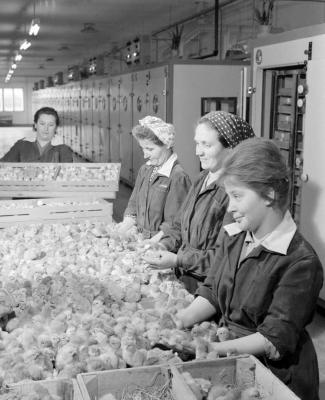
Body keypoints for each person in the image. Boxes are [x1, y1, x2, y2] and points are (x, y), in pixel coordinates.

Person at [176, 138, 323, 400]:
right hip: (228, 357)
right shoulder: (234, 236)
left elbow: (273, 339)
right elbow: (212, 291)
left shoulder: (300, 262)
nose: (230, 207)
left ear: (269, 194)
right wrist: (182, 320)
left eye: (237, 196)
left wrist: (213, 348)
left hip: (272, 376)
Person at [144, 111, 255, 293]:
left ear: (231, 148)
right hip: (183, 282)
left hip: (209, 291)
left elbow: (224, 257)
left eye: (207, 145)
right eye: (197, 143)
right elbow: (179, 225)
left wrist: (178, 260)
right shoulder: (201, 178)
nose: (198, 152)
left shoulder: (235, 194)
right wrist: (163, 244)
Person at [117, 116, 191, 240]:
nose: (145, 155)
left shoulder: (178, 177)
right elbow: (134, 203)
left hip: (161, 247)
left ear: (166, 144)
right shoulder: (145, 170)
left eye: (150, 149)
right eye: (142, 148)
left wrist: (152, 243)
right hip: (141, 240)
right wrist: (124, 227)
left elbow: (175, 224)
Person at [0, 107, 73, 162]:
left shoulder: (64, 149)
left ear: (56, 127)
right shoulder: (21, 144)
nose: (46, 128)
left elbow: (68, 175)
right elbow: (4, 164)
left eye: (51, 125)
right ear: (35, 125)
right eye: (42, 124)